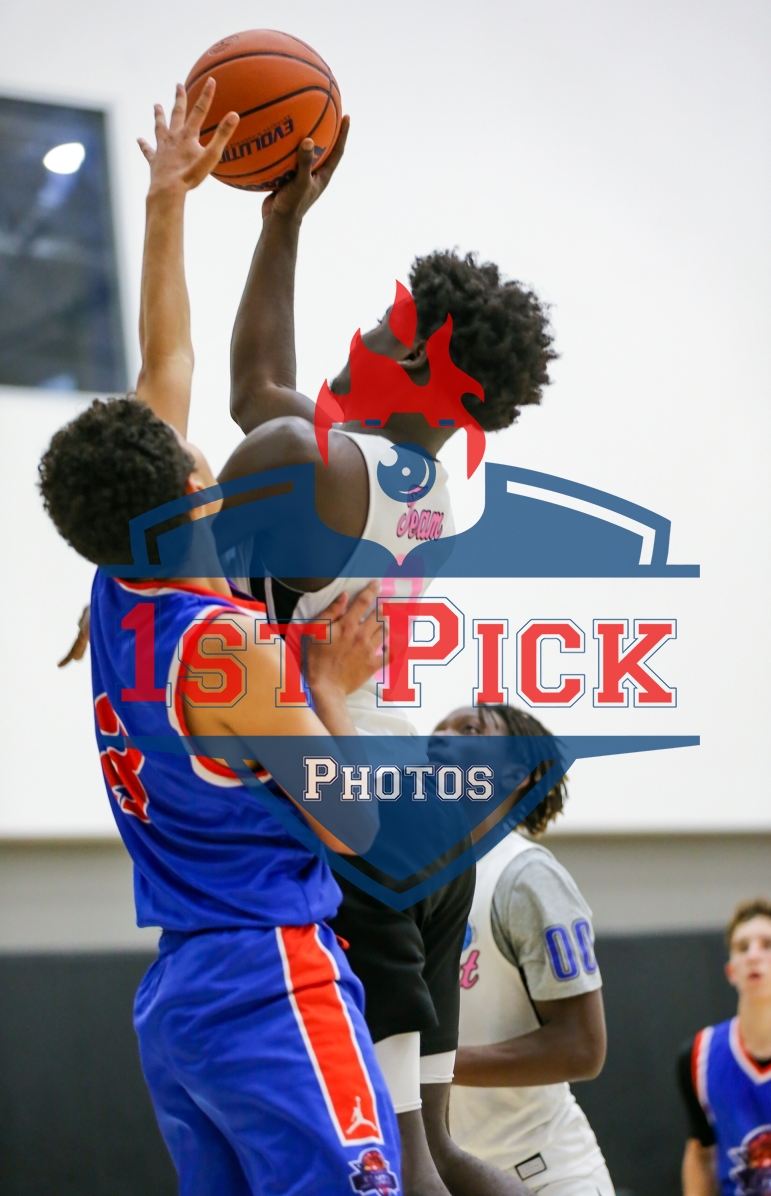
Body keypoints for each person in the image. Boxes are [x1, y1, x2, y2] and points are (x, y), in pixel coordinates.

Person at [39, 81, 403, 1196]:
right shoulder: (228, 651)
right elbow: (351, 825)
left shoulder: (117, 591)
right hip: (271, 983)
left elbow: (169, 362)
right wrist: (331, 683)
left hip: (184, 1003)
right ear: (197, 490)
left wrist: (168, 197)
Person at [216, 123, 557, 1196]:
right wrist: (281, 223)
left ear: (417, 361)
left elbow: (254, 393)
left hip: (352, 825)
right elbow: (271, 391)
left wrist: (281, 228)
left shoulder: (317, 465)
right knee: (444, 1155)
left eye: (386, 323)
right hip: (422, 830)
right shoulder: (428, 488)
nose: (361, 334)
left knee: (401, 1167)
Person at [438, 705, 613, 1195]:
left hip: (545, 1175)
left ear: (515, 773)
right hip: (455, 1177)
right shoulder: (418, 880)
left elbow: (582, 1048)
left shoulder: (526, 876)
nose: (441, 738)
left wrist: (431, 1063)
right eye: (438, 729)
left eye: (469, 729)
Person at [677, 898, 771, 1196]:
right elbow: (701, 1153)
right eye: (743, 947)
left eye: (768, 944)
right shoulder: (699, 1055)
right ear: (731, 970)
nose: (754, 955)